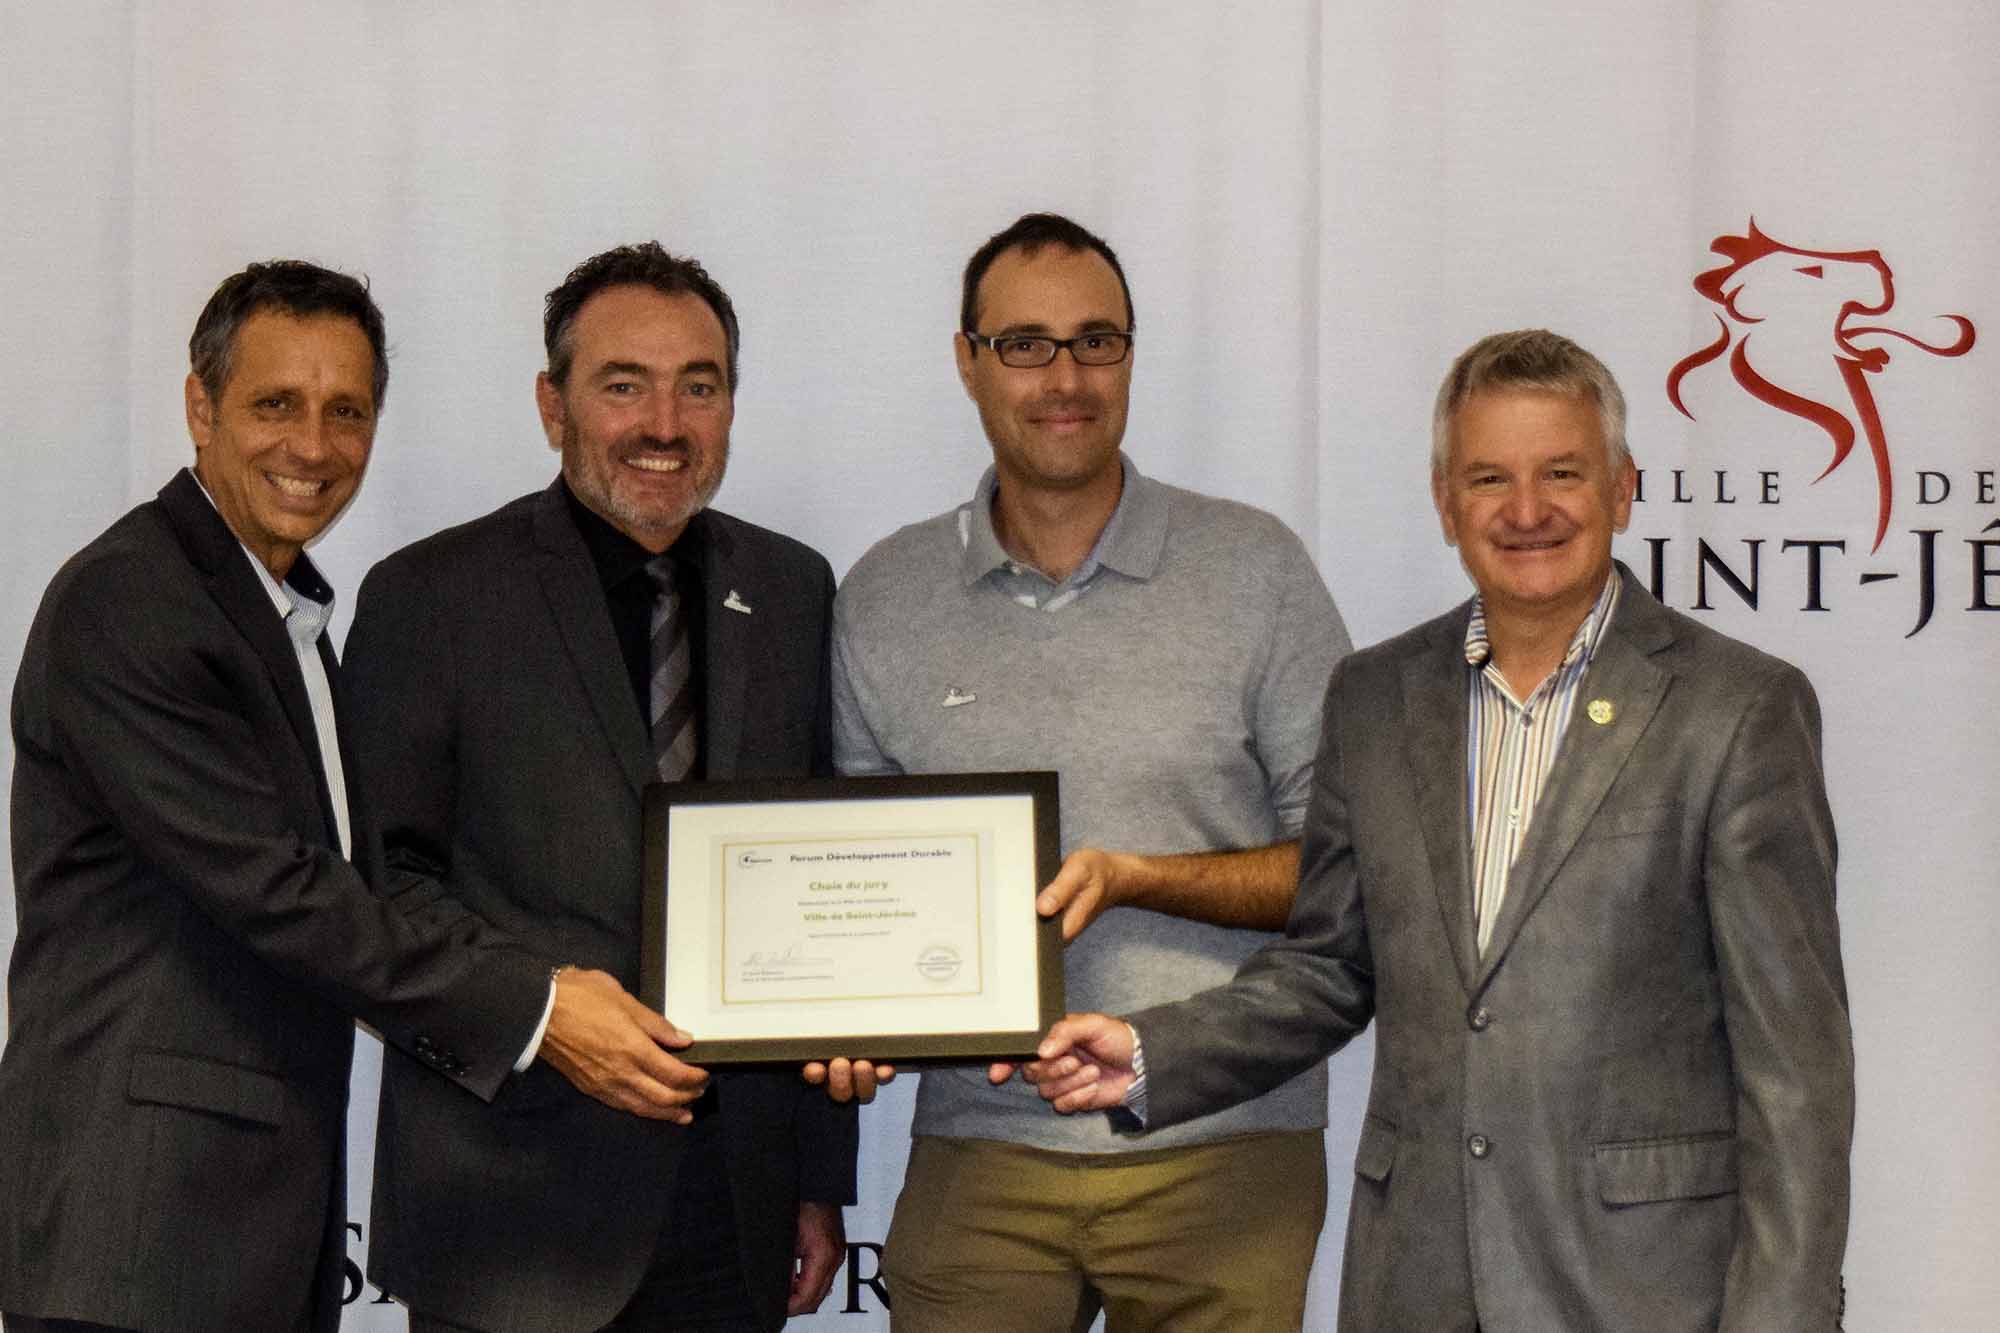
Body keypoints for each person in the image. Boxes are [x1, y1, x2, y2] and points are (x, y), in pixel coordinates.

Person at [1019, 329, 1855, 1332]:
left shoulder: (1737, 709)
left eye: (1561, 473)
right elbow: (1330, 966)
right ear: (1443, 501)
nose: (1527, 510)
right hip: (1418, 1282)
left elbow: (1793, 1074)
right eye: (1488, 477)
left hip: (1643, 1292)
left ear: (1623, 489)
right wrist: (1151, 1051)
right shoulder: (1373, 697)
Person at [0, 261, 688, 1333]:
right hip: (143, 1229)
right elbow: (283, 893)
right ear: (199, 404)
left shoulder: (273, 613)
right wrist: (542, 1006)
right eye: (275, 404)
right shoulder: (133, 599)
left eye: (346, 411)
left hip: (241, 1219)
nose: (313, 447)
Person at [828, 213, 1351, 1332]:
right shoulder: (882, 595)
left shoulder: (1255, 569)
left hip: (1221, 1142)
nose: (1063, 377)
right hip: (980, 1152)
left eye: (1095, 341)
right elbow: (853, 889)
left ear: (1128, 355)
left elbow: (1347, 869)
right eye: (1023, 344)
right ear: (966, 359)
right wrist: (839, 1013)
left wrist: (1133, 875)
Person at [343, 243, 856, 1333]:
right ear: (552, 404)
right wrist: (538, 1013)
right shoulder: (429, 596)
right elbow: (384, 890)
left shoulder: (793, 588)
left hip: (733, 1208)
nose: (663, 424)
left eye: (698, 385)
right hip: (509, 1208)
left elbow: (819, 873)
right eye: (623, 384)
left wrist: (816, 1176)